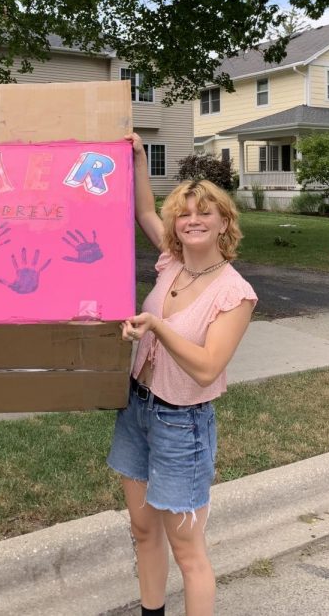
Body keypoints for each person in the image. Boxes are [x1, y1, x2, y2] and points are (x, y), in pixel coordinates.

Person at [107, 134, 257, 616]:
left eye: (204, 212)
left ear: (223, 223)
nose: (192, 219)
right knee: (142, 529)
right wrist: (137, 159)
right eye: (185, 212)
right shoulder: (172, 263)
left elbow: (207, 366)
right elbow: (145, 212)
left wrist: (157, 326)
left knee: (187, 550)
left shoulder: (235, 292)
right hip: (136, 409)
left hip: (181, 425)